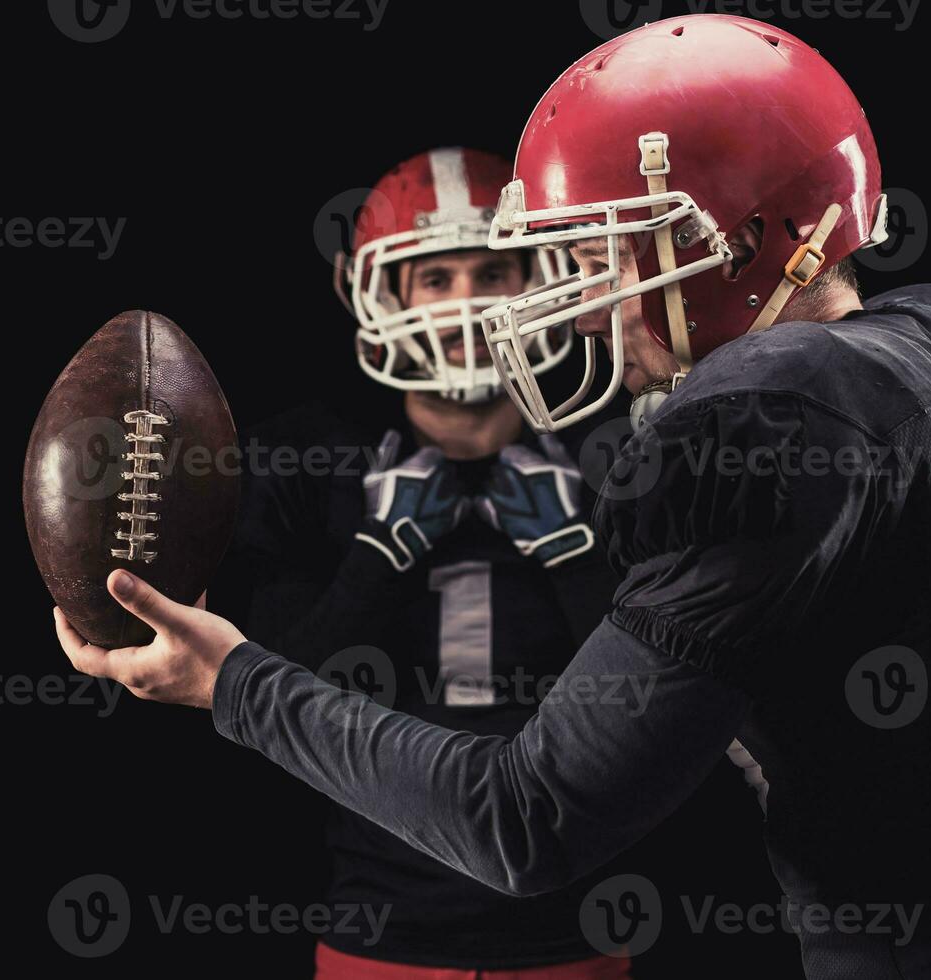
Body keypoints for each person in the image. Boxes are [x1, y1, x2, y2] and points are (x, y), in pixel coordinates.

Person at [57, 16, 931, 978]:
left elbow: (523, 821)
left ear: (733, 239)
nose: (584, 308)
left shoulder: (775, 416)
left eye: (602, 255)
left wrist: (234, 680)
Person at [222, 147, 626, 977]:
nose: (469, 304)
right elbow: (265, 706)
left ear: (545, 278)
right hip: (379, 928)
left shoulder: (617, 453)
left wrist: (575, 559)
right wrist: (376, 560)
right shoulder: (309, 459)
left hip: (573, 930)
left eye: (494, 272)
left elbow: (658, 707)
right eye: (435, 279)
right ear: (378, 292)